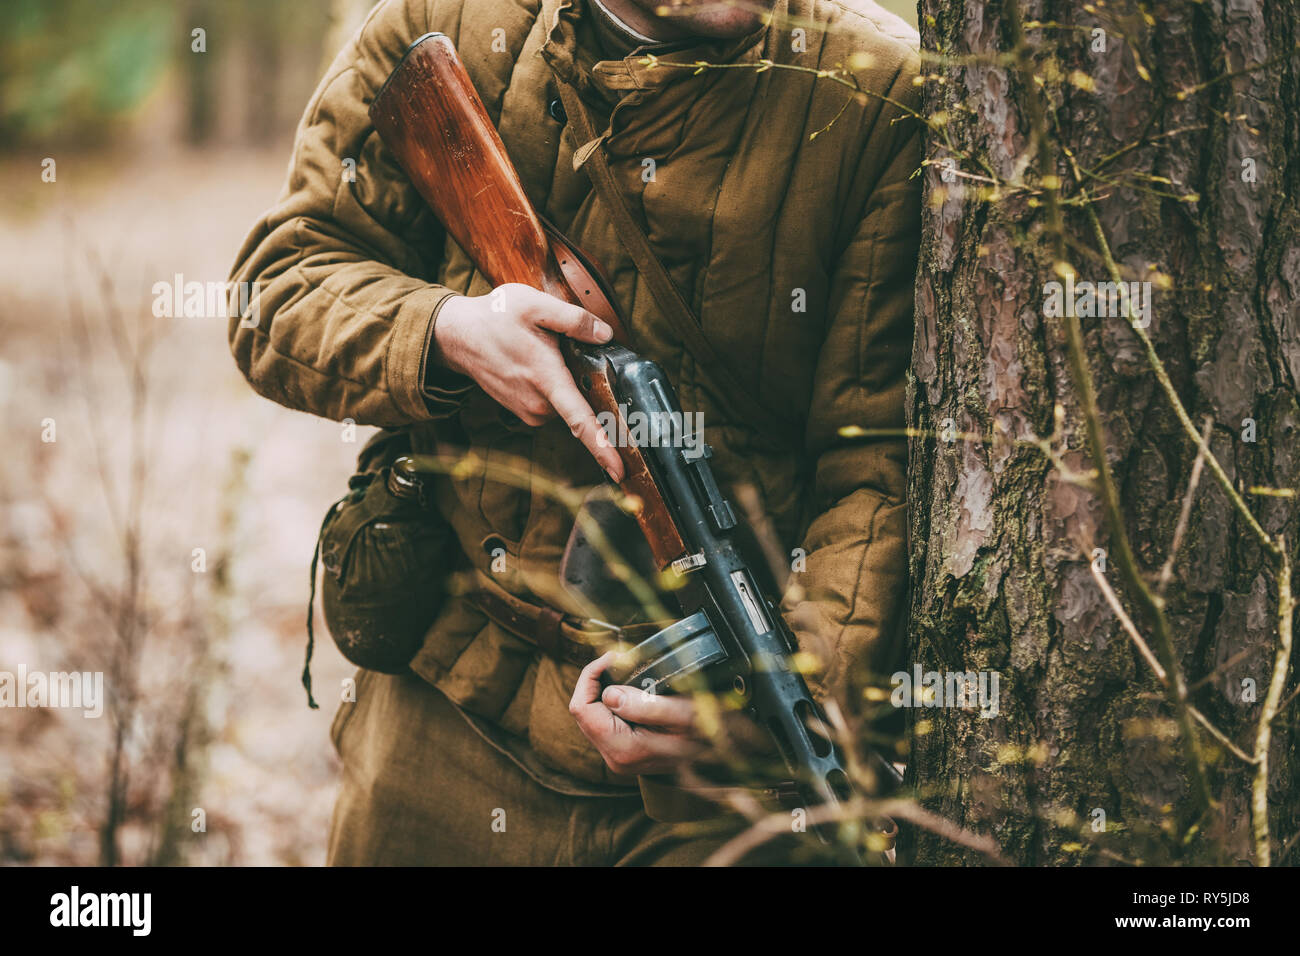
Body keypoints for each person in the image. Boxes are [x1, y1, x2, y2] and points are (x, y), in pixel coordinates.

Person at [228, 0, 920, 865]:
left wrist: (778, 700)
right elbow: (277, 290)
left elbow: (878, 465)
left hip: (715, 782)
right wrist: (446, 335)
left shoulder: (879, 92)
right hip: (449, 706)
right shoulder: (441, 19)